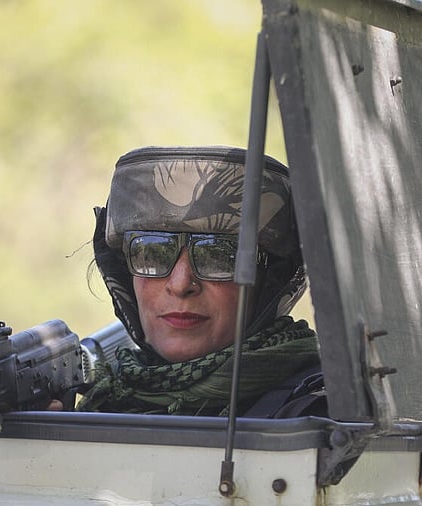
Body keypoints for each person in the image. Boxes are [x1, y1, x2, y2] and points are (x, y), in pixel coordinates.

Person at [77, 145, 325, 418]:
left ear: (271, 282)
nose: (181, 284)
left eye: (219, 257)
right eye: (152, 253)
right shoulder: (108, 397)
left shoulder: (315, 410)